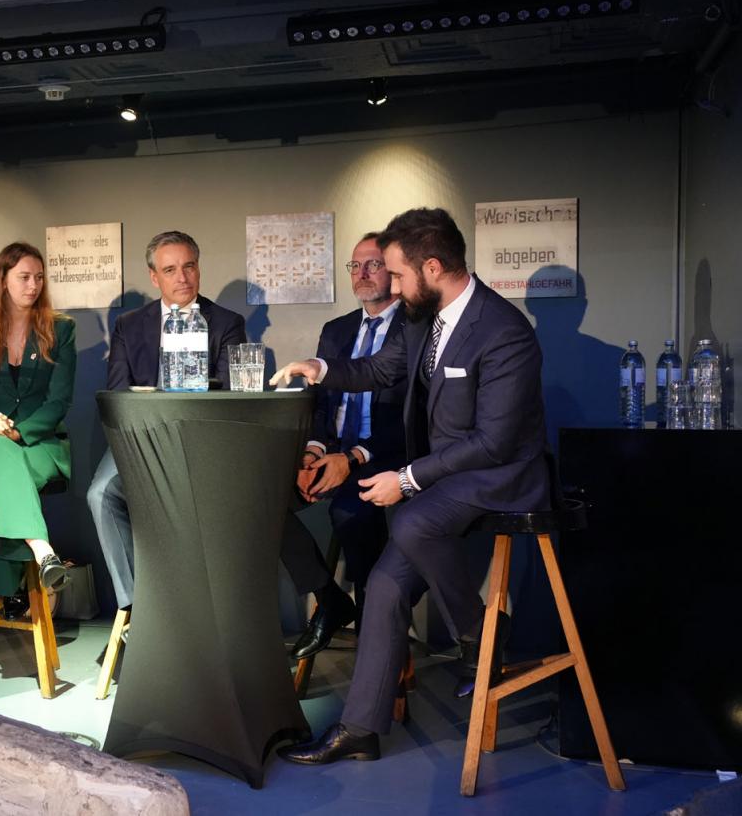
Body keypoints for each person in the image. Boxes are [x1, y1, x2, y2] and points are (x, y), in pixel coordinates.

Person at [271, 207, 550, 764]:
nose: (391, 287)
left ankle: (478, 636)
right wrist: (318, 368)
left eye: (397, 275)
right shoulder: (424, 319)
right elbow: (376, 371)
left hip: (501, 478)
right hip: (448, 479)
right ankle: (361, 729)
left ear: (431, 266)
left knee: (414, 518)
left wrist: (406, 477)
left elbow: (494, 443)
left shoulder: (505, 331)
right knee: (386, 586)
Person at [87, 231, 246, 615]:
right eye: (170, 269)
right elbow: (118, 394)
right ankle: (135, 610)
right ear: (154, 277)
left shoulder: (227, 322)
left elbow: (228, 395)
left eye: (189, 266)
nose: (182, 278)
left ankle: (205, 618)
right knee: (100, 495)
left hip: (200, 443)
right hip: (139, 439)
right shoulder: (129, 324)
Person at [287, 233, 407, 661]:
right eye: (354, 266)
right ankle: (331, 599)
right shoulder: (336, 331)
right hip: (334, 452)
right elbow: (320, 406)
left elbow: (417, 421)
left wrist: (353, 457)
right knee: (263, 497)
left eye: (372, 265)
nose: (362, 274)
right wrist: (311, 453)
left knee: (350, 510)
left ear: (394, 271)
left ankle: (379, 631)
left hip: (387, 455)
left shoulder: (416, 329)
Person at [0, 242, 76, 612]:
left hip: (40, 446)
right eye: (24, 277)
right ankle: (42, 550)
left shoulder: (62, 329)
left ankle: (11, 595)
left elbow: (59, 402)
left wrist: (19, 432)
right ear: (2, 280)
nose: (33, 285)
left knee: (4, 474)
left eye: (39, 277)